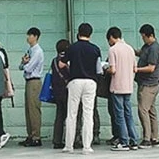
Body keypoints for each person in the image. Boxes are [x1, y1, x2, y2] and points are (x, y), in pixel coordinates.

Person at [62, 23, 102, 155]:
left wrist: (70, 67)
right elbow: (98, 69)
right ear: (90, 34)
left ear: (78, 33)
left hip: (75, 81)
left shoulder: (72, 48)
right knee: (88, 114)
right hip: (90, 82)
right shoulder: (95, 49)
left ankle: (69, 145)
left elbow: (61, 64)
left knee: (72, 114)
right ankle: (87, 147)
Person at [106, 27, 139, 151]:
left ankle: (124, 141)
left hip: (117, 87)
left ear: (111, 37)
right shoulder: (130, 49)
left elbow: (113, 70)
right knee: (128, 114)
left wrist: (106, 69)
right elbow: (135, 69)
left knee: (119, 115)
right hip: (128, 86)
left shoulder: (113, 50)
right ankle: (133, 140)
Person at [135, 24, 159, 148]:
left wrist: (136, 69)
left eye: (144, 37)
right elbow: (140, 53)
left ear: (150, 35)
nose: (143, 39)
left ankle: (147, 138)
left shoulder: (154, 48)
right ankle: (154, 137)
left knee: (143, 110)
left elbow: (151, 68)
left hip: (149, 84)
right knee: (151, 111)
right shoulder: (147, 46)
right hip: (146, 83)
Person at [18, 27, 44, 147]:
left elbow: (29, 68)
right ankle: (30, 135)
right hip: (28, 81)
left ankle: (36, 136)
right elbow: (21, 66)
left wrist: (25, 64)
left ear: (35, 36)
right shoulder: (30, 50)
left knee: (34, 109)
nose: (27, 37)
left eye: (30, 35)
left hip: (34, 81)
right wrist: (24, 63)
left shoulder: (38, 51)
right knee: (28, 110)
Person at [51, 39, 71, 149]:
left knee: (59, 116)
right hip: (67, 90)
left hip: (57, 92)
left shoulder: (54, 60)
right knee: (70, 116)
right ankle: (69, 139)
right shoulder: (67, 60)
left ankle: (57, 140)